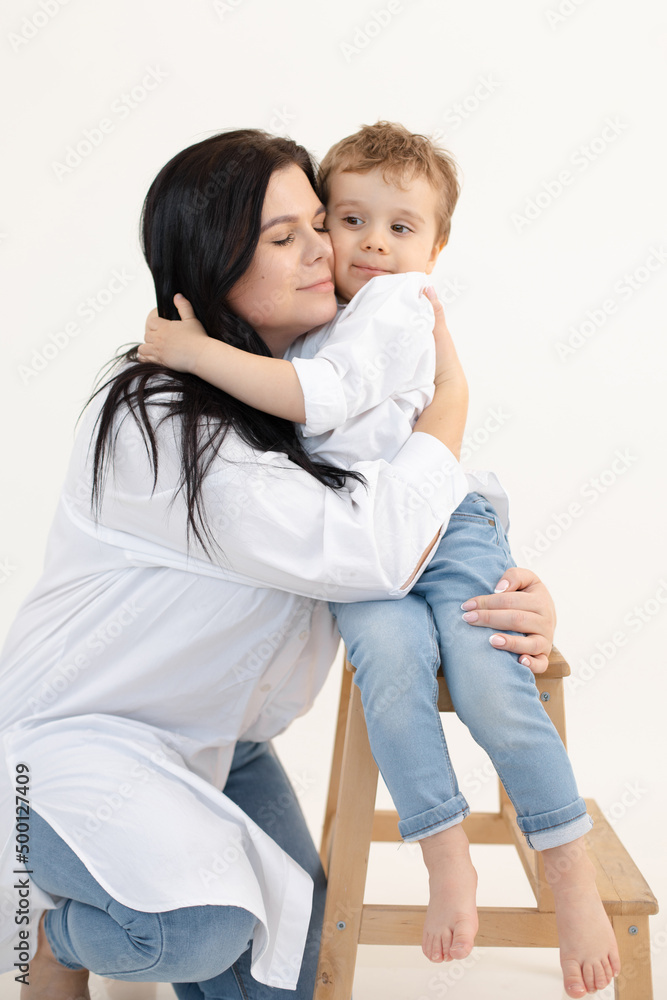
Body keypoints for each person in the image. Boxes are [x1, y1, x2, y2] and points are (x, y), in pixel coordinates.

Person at [0, 128, 558, 1000]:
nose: (326, 251)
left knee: (288, 983)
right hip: (77, 743)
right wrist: (450, 402)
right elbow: (370, 547)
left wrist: (509, 592)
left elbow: (417, 517)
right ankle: (52, 931)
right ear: (212, 264)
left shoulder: (306, 390)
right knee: (193, 933)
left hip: (224, 744)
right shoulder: (161, 423)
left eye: (316, 225)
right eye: (282, 236)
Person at [139, 122, 620, 998]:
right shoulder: (316, 324)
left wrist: (191, 348)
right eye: (347, 219)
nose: (366, 244)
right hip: (368, 550)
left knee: (484, 673)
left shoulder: (396, 308)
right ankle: (442, 854)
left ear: (437, 248)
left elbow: (323, 408)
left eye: (401, 229)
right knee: (390, 665)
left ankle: (564, 860)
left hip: (439, 528)